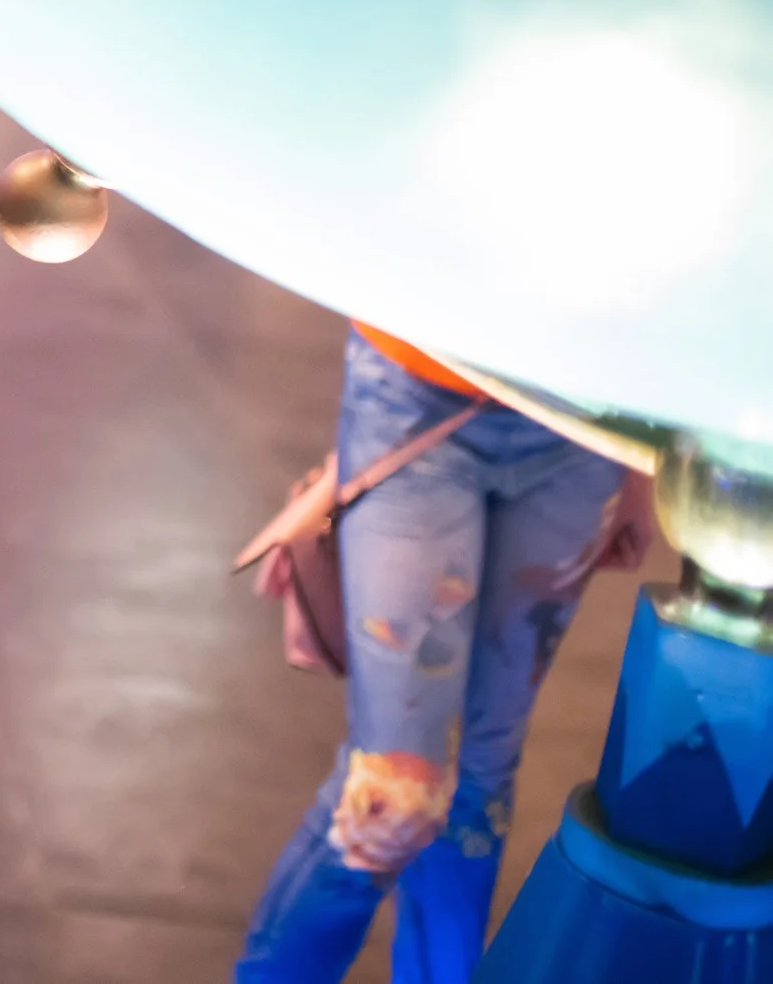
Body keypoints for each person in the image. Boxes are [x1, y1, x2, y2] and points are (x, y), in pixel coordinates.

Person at [235, 324, 655, 983]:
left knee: (481, 781)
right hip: (422, 389)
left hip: (586, 416)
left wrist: (642, 459)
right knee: (395, 789)